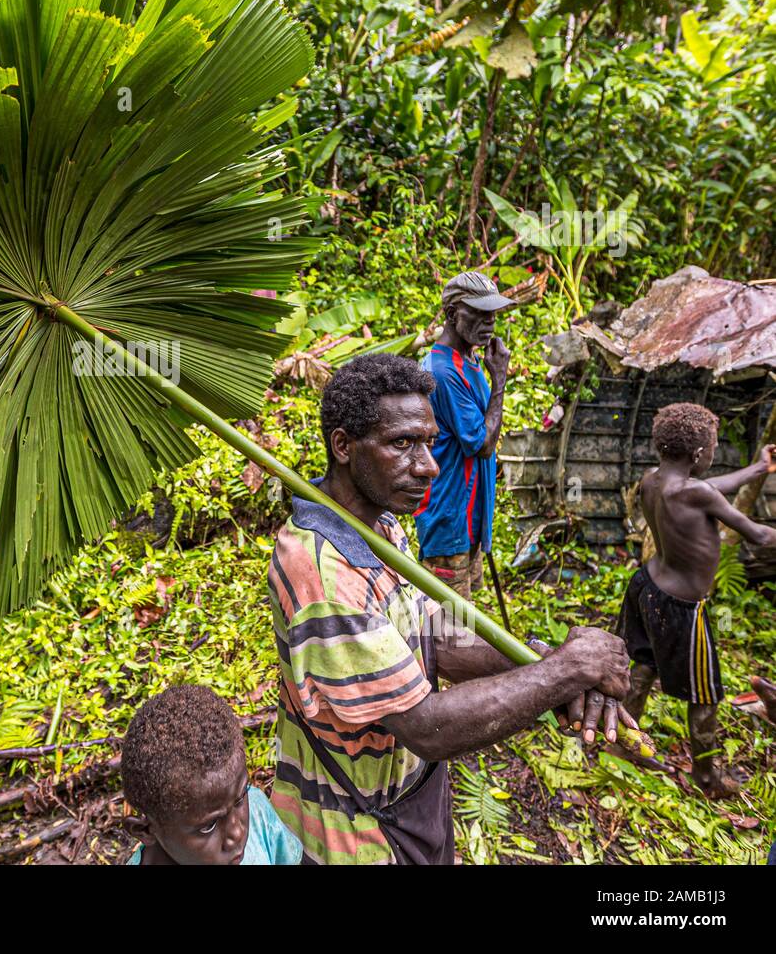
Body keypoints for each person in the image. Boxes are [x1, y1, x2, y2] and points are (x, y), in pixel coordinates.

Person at [268, 354, 635, 864]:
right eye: (402, 444)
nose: (429, 465)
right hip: (352, 832)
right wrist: (563, 671)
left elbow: (433, 628)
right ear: (344, 446)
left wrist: (545, 663)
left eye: (427, 442)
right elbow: (424, 725)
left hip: (406, 796)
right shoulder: (321, 575)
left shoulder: (378, 524)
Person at [620, 403, 776, 799]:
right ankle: (707, 777)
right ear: (696, 454)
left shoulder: (652, 480)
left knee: (642, 665)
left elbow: (709, 488)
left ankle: (622, 739)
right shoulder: (696, 492)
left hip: (646, 586)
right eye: (712, 448)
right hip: (682, 608)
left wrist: (758, 469)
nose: (712, 454)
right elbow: (758, 535)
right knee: (705, 694)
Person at [414, 271, 513, 601]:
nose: (489, 324)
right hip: (450, 519)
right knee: (449, 628)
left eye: (493, 315)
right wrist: (499, 380)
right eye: (480, 314)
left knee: (465, 617)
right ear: (452, 314)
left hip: (469, 519)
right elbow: (481, 444)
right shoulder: (443, 371)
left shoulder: (468, 360)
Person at [121, 685, 301, 865]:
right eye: (209, 826)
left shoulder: (258, 815)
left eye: (239, 800)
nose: (237, 833)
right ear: (145, 830)